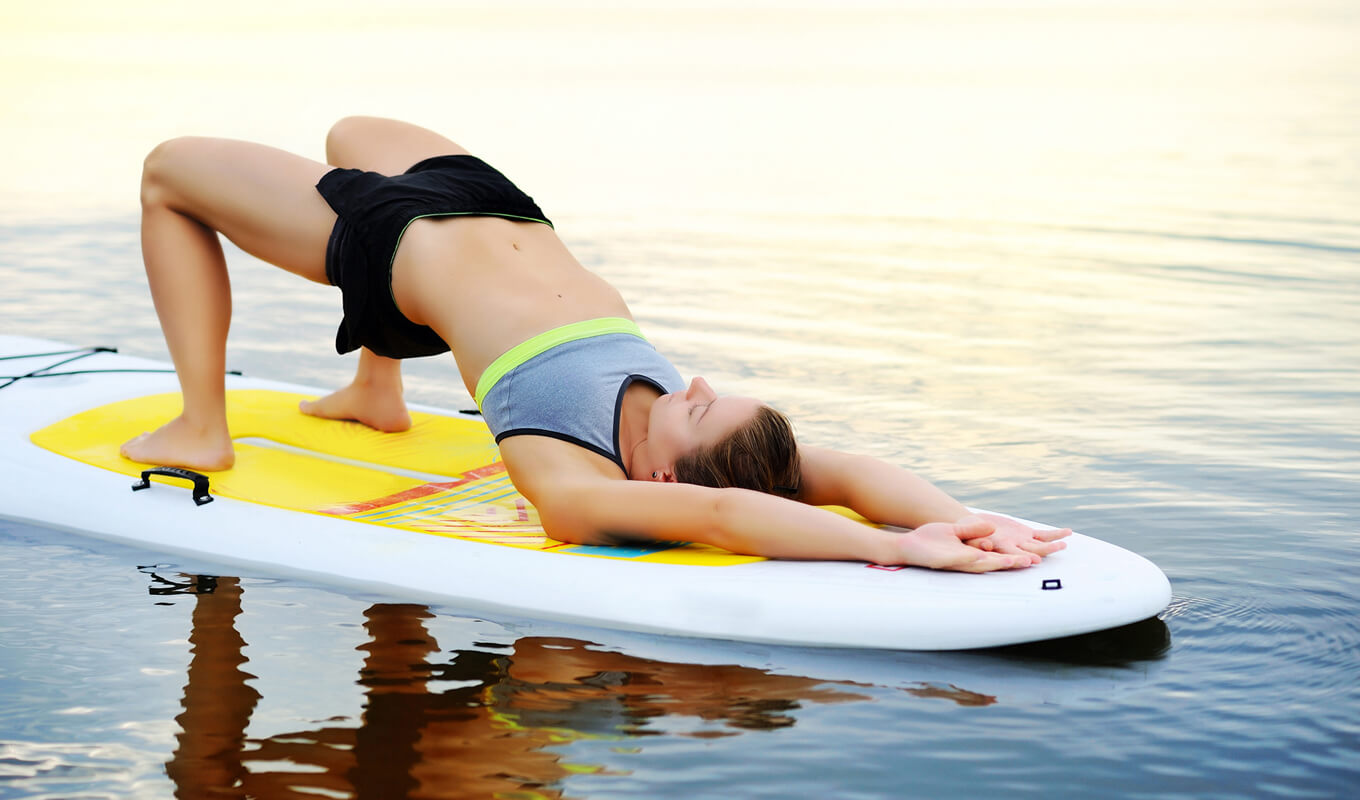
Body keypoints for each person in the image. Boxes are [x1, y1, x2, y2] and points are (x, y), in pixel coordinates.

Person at [120, 116, 1069, 572]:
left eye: (691, 405)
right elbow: (851, 473)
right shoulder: (717, 449)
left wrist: (899, 556)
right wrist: (964, 516)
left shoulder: (562, 467)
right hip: (490, 198)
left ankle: (204, 426)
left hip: (393, 241)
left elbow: (727, 521)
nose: (686, 381)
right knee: (351, 130)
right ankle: (379, 391)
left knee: (169, 173)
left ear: (657, 481)